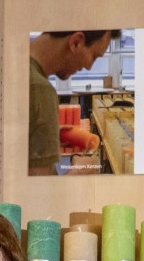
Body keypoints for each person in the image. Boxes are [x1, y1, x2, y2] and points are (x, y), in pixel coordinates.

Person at [27, 29, 118, 175]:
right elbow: (41, 193)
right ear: (76, 42)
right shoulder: (39, 89)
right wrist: (80, 170)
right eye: (94, 56)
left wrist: (51, 135)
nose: (89, 67)